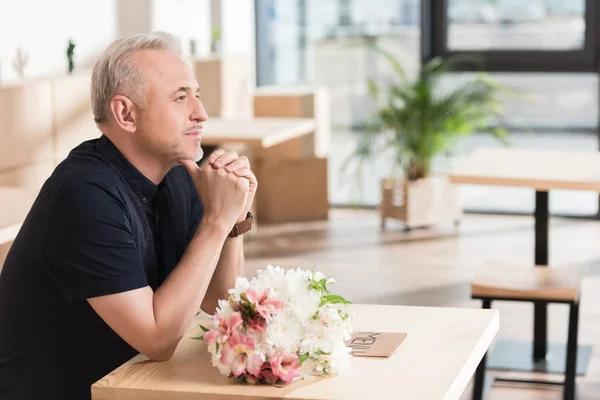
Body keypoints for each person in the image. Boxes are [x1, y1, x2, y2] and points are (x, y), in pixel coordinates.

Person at [0, 31, 257, 400]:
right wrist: (216, 221)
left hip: (126, 385)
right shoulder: (84, 195)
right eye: (180, 97)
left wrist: (233, 217)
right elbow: (158, 339)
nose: (200, 112)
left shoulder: (178, 175)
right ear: (125, 113)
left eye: (197, 95)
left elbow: (220, 301)